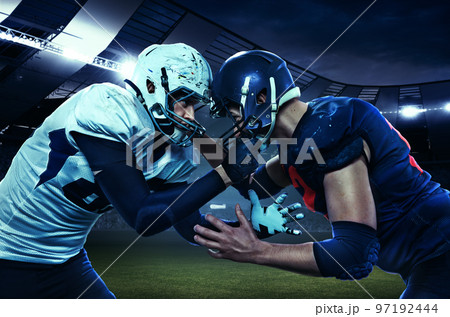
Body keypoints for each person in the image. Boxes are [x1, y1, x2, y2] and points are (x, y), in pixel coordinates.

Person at [0, 43, 262, 298]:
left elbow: (191, 228)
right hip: (6, 253)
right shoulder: (105, 104)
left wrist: (253, 229)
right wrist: (224, 174)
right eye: (184, 101)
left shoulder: (176, 152)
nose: (191, 115)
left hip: (66, 260)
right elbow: (142, 217)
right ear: (151, 86)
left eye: (196, 105)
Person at [193, 50, 450, 298]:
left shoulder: (328, 131)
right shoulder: (300, 144)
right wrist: (194, 132)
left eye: (234, 112)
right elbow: (250, 185)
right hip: (426, 258)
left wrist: (255, 251)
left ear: (260, 98)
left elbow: (353, 253)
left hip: (440, 247)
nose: (236, 129)